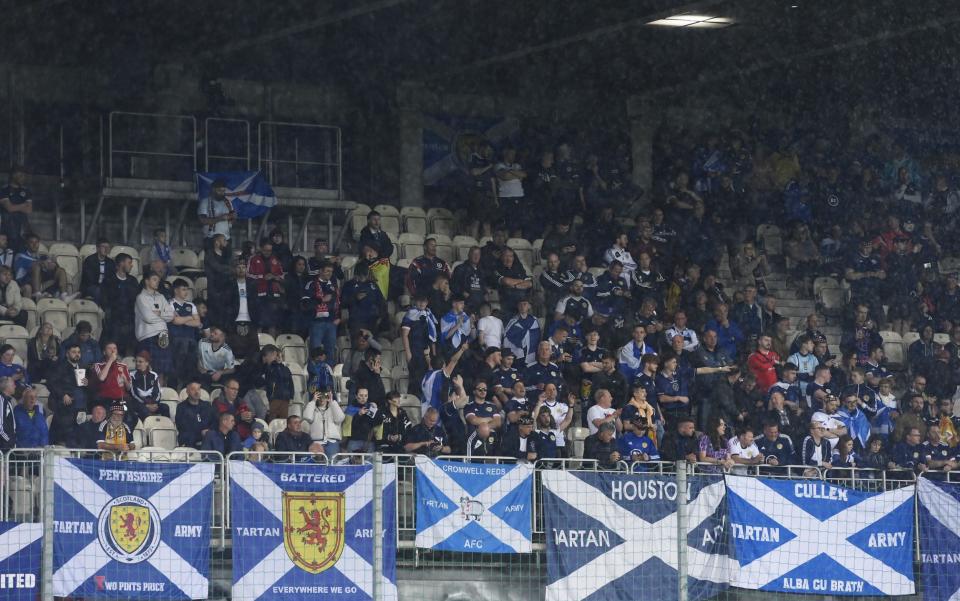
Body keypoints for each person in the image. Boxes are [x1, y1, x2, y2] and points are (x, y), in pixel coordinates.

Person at [47, 342, 88, 446]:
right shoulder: (59, 366)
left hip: (80, 407)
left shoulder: (83, 366)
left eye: (78, 352)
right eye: (73, 352)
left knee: (79, 435)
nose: (77, 354)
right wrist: (63, 394)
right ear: (67, 354)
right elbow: (51, 383)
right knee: (64, 438)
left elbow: (86, 387)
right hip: (65, 408)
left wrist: (87, 383)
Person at [135, 271, 175, 379]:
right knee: (149, 369)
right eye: (154, 279)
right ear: (147, 281)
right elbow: (148, 318)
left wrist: (159, 313)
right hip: (147, 336)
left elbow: (171, 316)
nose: (157, 282)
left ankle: (159, 393)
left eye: (158, 280)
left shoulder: (161, 297)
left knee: (162, 370)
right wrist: (163, 317)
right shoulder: (141, 298)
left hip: (163, 334)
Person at [303, 260, 340, 365]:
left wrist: (339, 317)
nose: (330, 273)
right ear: (320, 271)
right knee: (316, 351)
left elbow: (338, 303)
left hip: (331, 323)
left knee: (330, 351)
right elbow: (305, 304)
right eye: (327, 271)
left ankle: (328, 375)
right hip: (316, 323)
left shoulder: (333, 286)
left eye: (331, 271)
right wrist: (321, 300)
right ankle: (314, 376)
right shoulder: (311, 284)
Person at [401, 293, 438, 394]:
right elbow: (404, 335)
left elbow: (432, 337)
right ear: (415, 301)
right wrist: (408, 353)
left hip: (427, 351)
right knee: (416, 380)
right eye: (420, 300)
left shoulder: (429, 315)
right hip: (415, 351)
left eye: (424, 301)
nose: (422, 303)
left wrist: (433, 355)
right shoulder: (410, 314)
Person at [169, 278, 202, 387]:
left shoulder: (191, 305)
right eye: (183, 289)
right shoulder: (170, 304)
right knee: (176, 368)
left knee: (190, 368)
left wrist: (183, 319)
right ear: (176, 290)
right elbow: (175, 321)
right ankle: (174, 388)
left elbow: (197, 322)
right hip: (176, 341)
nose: (186, 292)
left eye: (187, 289)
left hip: (191, 341)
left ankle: (187, 388)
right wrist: (189, 317)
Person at [175, 382, 217, 449]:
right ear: (187, 392)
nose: (196, 392)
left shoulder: (207, 406)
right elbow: (182, 426)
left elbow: (214, 422)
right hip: (190, 439)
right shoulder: (181, 407)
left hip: (207, 437)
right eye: (193, 389)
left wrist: (208, 431)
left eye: (198, 389)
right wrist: (200, 432)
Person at [91, 340, 131, 410]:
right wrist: (110, 360)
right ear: (104, 352)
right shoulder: (98, 366)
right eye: (109, 348)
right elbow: (102, 378)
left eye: (115, 348)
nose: (113, 351)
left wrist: (124, 377)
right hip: (105, 399)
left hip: (121, 399)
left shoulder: (123, 366)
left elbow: (128, 388)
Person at [0, 166, 32, 251]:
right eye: (21, 175)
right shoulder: (4, 190)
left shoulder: (26, 191)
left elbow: (29, 210)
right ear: (14, 175)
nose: (23, 178)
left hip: (21, 229)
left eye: (24, 175)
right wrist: (23, 205)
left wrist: (14, 206)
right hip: (6, 228)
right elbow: (9, 208)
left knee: (20, 253)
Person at [198, 178, 236, 248]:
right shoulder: (205, 202)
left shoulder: (228, 202)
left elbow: (232, 220)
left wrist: (233, 217)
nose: (222, 193)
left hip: (226, 239)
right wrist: (220, 218)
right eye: (219, 191)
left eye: (224, 191)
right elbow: (202, 220)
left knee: (227, 258)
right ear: (213, 190)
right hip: (211, 238)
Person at [503, 297, 541, 367]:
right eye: (520, 305)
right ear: (517, 306)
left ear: (529, 306)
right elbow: (506, 337)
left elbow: (537, 336)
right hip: (518, 353)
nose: (522, 306)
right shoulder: (513, 321)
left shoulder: (534, 321)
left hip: (531, 353)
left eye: (525, 304)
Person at [129, 351, 166, 416]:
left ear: (147, 363)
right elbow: (134, 394)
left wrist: (155, 403)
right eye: (136, 361)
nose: (137, 363)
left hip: (152, 402)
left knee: (165, 408)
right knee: (144, 411)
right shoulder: (132, 375)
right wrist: (145, 404)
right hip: (139, 403)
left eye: (140, 362)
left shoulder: (154, 375)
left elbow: (157, 392)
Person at [80, 238, 115, 304]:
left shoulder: (111, 262)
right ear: (98, 248)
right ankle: (101, 310)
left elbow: (112, 277)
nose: (106, 249)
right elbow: (89, 279)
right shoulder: (90, 260)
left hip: (105, 287)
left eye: (108, 247)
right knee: (99, 291)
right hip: (91, 287)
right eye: (103, 247)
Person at [346, 388, 379, 454]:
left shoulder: (371, 407)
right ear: (356, 396)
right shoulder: (350, 408)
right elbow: (348, 426)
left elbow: (378, 422)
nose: (363, 398)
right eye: (361, 395)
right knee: (353, 464)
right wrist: (359, 414)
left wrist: (376, 410)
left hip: (369, 441)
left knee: (369, 464)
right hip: (354, 440)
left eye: (365, 395)